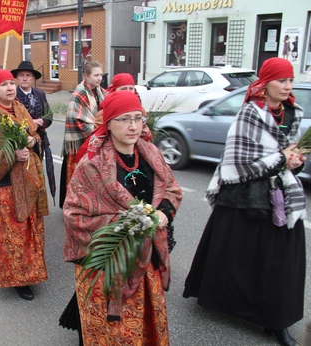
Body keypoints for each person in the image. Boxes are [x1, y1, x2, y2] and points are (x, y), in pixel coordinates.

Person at [183, 57, 307, 346]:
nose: (287, 86)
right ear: (265, 84)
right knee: (236, 254)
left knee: (280, 263)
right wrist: (281, 159)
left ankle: (277, 320)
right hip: (245, 194)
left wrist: (296, 162)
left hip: (282, 195)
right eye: (281, 80)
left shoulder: (294, 113)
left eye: (290, 80)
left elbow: (292, 156)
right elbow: (237, 162)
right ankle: (223, 299)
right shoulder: (250, 113)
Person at [63, 91, 182, 344]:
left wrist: (163, 213)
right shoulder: (91, 165)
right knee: (111, 332)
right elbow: (73, 214)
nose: (133, 126)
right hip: (109, 262)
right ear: (108, 123)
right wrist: (124, 225)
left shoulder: (151, 154)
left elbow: (171, 188)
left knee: (146, 320)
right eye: (124, 119)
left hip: (146, 256)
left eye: (138, 119)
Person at [0, 70, 49, 300]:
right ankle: (16, 278)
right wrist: (12, 154)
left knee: (28, 230)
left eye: (11, 84)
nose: (9, 88)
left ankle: (31, 272)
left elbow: (35, 135)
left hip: (26, 182)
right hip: (2, 185)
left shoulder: (20, 109)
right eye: (3, 84)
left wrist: (33, 141)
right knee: (11, 233)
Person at [60, 61, 106, 208]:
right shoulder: (79, 92)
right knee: (77, 176)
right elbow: (78, 119)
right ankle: (75, 205)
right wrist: (99, 131)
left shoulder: (100, 91)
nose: (99, 78)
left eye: (101, 75)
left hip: (96, 138)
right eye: (96, 75)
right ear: (86, 76)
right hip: (80, 141)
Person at [11, 61, 56, 203]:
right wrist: (29, 124)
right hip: (20, 143)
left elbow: (49, 115)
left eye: (28, 75)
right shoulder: (13, 95)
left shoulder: (40, 94)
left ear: (33, 79)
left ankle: (35, 200)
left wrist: (41, 122)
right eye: (21, 75)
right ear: (17, 78)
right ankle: (22, 201)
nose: (24, 78)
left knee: (37, 171)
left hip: (39, 141)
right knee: (22, 173)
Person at [94, 73, 152, 141]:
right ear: (114, 91)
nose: (128, 92)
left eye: (131, 88)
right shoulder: (104, 112)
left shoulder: (140, 109)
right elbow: (98, 136)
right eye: (123, 89)